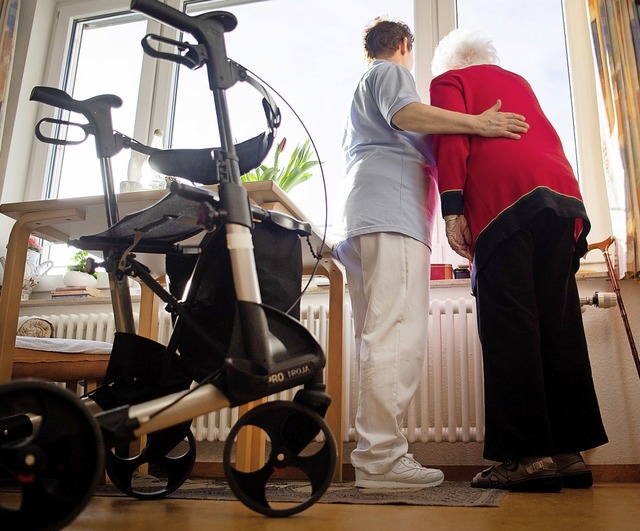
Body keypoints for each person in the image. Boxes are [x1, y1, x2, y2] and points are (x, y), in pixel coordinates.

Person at [333, 17, 529, 490]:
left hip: (364, 217)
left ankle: (376, 455)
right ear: (404, 44)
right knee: (398, 336)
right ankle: (381, 461)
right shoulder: (390, 73)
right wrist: (478, 123)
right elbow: (407, 114)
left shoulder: (363, 90)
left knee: (378, 337)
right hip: (390, 215)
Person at [429, 28, 608, 492]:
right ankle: (568, 454)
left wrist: (452, 211)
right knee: (558, 323)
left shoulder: (450, 82)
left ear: (448, 62)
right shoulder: (519, 82)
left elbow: (452, 141)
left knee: (511, 325)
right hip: (562, 199)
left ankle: (527, 459)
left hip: (505, 201)